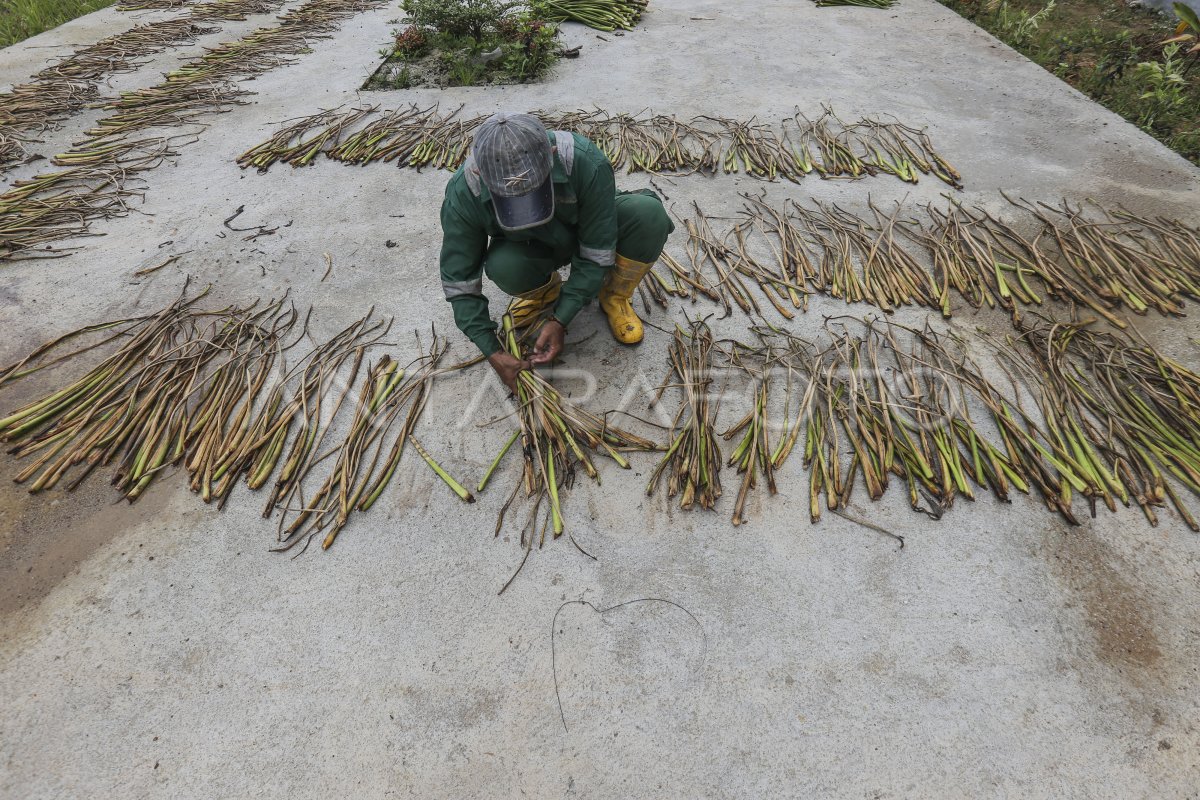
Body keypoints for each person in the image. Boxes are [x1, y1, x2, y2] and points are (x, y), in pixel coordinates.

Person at [438, 111, 674, 392]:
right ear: (480, 172)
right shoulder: (465, 192)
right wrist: (493, 351)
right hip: (529, 246)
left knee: (647, 215)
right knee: (505, 266)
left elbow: (597, 249)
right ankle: (544, 292)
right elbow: (460, 281)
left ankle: (614, 296)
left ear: (551, 155)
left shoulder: (584, 161)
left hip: (586, 229)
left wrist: (561, 318)